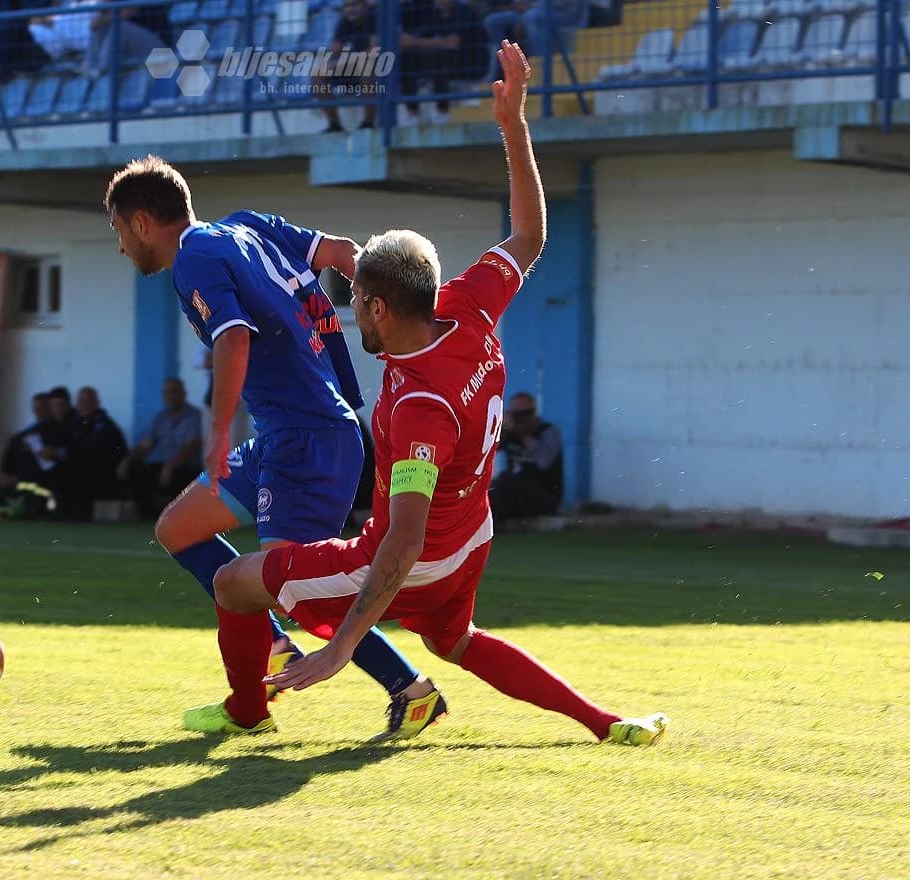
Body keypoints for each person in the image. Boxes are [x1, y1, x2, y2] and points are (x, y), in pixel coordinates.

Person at [193, 42, 668, 748]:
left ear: (381, 306)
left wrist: (341, 646)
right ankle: (607, 723)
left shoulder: (420, 406)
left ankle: (245, 711)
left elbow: (402, 542)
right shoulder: (468, 304)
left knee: (235, 581)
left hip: (422, 551)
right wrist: (513, 124)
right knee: (456, 641)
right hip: (471, 533)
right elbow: (531, 235)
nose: (350, 313)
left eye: (354, 300)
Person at [105, 154, 436, 739]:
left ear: (139, 222)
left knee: (298, 591)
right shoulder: (245, 225)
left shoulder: (194, 260)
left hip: (306, 439)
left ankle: (410, 691)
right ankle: (268, 649)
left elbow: (234, 337)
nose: (121, 250)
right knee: (178, 528)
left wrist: (217, 432)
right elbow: (338, 251)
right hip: (288, 434)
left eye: (117, 233)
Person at [120, 377, 203, 520]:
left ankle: (178, 517)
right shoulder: (160, 418)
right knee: (135, 469)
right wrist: (127, 459)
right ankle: (148, 516)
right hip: (164, 467)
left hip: (186, 467)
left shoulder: (194, 416)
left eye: (173, 391)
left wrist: (170, 466)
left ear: (183, 393)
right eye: (166, 392)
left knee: (180, 473)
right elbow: (147, 445)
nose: (170, 396)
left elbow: (192, 446)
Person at [490, 391, 563, 530]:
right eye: (517, 415)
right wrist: (501, 430)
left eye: (526, 414)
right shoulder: (509, 434)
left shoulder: (548, 432)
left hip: (544, 495)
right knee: (492, 486)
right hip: (516, 495)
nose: (522, 419)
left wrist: (526, 435)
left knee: (507, 480)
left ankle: (496, 526)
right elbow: (488, 452)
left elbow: (543, 463)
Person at [399, 0, 479, 124]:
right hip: (438, 62)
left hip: (466, 63)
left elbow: (452, 43)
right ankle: (413, 112)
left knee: (435, 55)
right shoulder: (433, 14)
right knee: (406, 58)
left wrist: (417, 41)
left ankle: (442, 110)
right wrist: (422, 42)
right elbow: (412, 41)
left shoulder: (464, 12)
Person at [61, 386, 127, 521]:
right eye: (81, 402)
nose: (84, 405)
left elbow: (97, 452)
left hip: (103, 473)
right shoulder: (74, 424)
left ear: (96, 403)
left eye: (87, 401)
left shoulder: (105, 425)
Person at [314, 0, 379, 133]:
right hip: (355, 65)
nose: (350, 9)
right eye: (347, 6)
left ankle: (368, 123)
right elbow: (335, 50)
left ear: (365, 5)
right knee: (318, 74)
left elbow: (373, 52)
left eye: (355, 4)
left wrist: (345, 61)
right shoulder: (346, 20)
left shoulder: (375, 17)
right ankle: (335, 125)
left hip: (380, 67)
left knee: (366, 67)